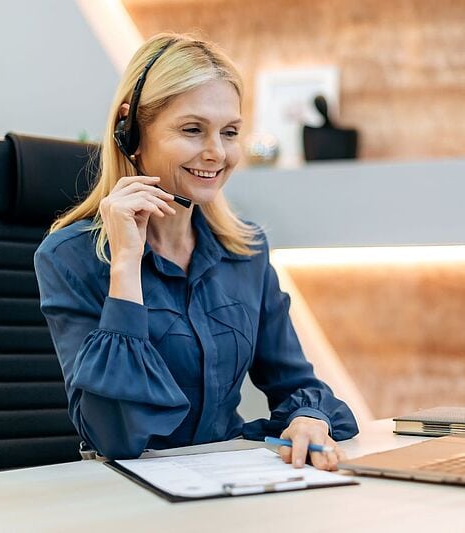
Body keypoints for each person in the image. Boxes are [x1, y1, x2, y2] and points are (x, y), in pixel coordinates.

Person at [34, 33, 358, 470]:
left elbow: (297, 383)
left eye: (229, 132)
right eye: (192, 129)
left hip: (226, 481)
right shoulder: (69, 257)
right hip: (122, 493)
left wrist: (308, 418)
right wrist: (126, 265)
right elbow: (115, 435)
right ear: (130, 131)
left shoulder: (246, 250)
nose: (217, 153)